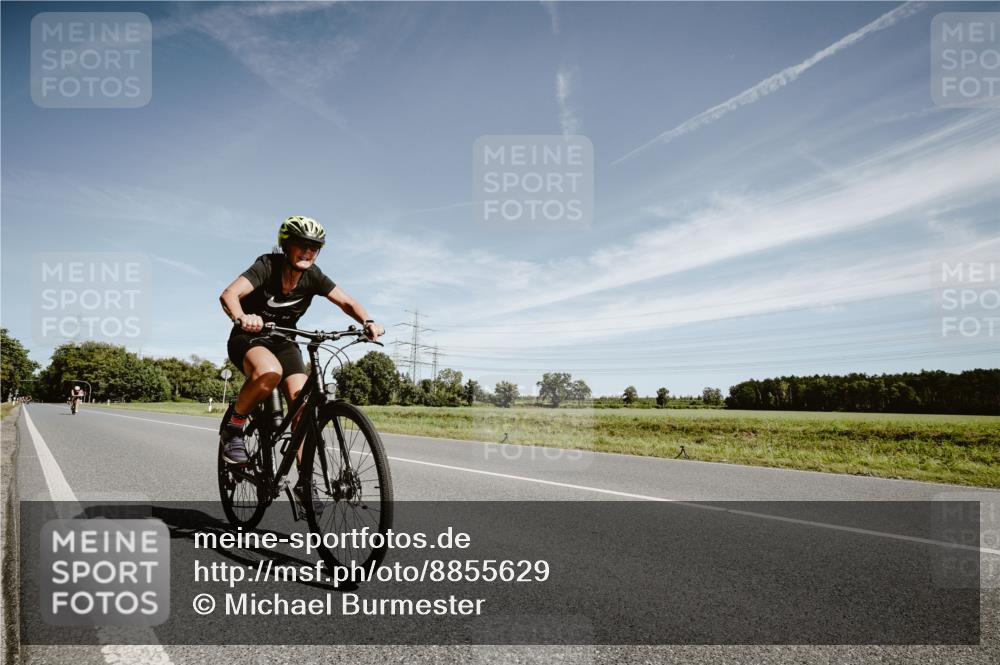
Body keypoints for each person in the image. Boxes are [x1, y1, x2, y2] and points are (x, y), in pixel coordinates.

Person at [218, 216, 385, 477]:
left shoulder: (313, 276)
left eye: (314, 247)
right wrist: (242, 317)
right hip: (249, 338)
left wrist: (368, 320)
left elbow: (347, 302)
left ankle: (305, 485)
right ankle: (233, 427)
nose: (308, 252)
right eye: (301, 244)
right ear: (286, 245)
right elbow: (229, 294)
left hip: (284, 342)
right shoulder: (267, 266)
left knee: (303, 404)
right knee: (269, 371)